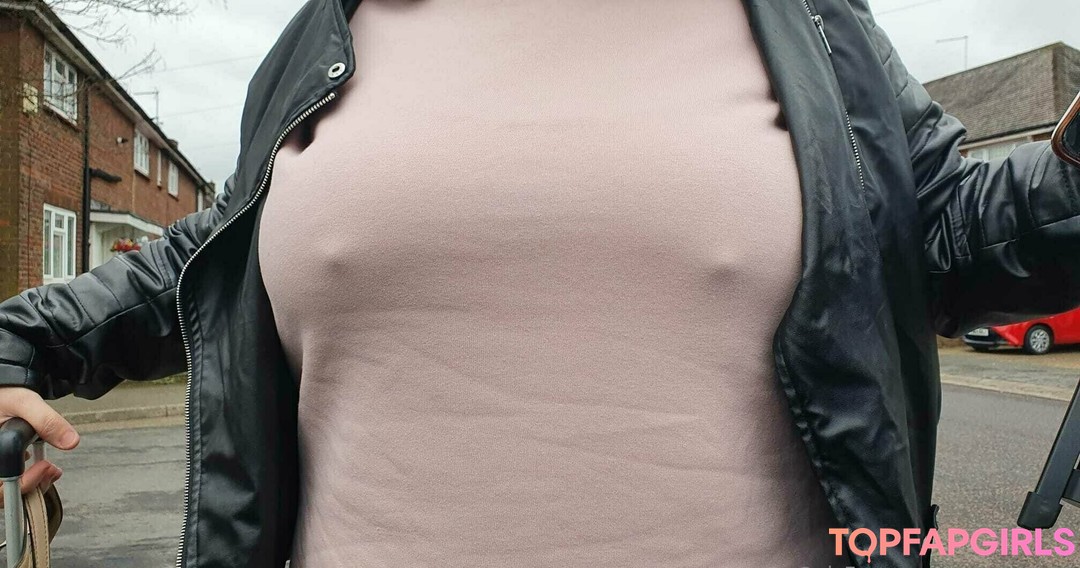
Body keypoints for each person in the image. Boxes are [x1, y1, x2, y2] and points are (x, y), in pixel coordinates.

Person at [1, 0, 1079, 566]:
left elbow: (950, 228)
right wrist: (19, 346)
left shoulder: (814, 28)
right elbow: (213, 258)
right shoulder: (326, 35)